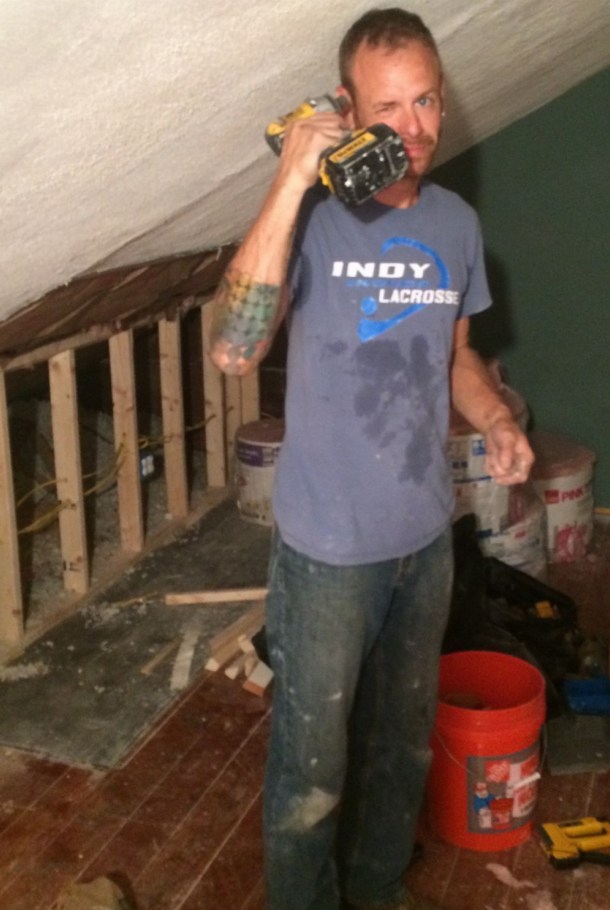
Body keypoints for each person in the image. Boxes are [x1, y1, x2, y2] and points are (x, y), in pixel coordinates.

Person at [208, 9, 533, 909]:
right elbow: (234, 350)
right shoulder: (309, 217)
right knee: (312, 772)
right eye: (387, 107)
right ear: (347, 110)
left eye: (425, 100)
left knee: (402, 749)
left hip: (424, 539)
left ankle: (380, 890)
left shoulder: (456, 223)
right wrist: (289, 180)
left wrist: (496, 420)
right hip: (327, 552)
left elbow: (456, 355)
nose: (414, 127)